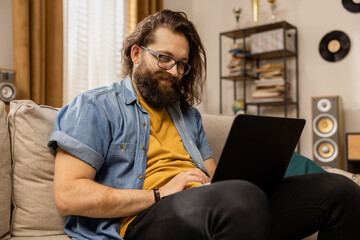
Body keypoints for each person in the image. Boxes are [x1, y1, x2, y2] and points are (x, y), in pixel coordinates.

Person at [48, 9, 360, 240]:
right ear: (137, 53)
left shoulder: (188, 116)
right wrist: (159, 194)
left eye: (182, 64)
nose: (174, 71)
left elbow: (212, 177)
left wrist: (249, 176)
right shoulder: (95, 105)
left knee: (339, 190)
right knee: (238, 199)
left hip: (215, 207)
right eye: (165, 58)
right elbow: (69, 195)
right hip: (141, 221)